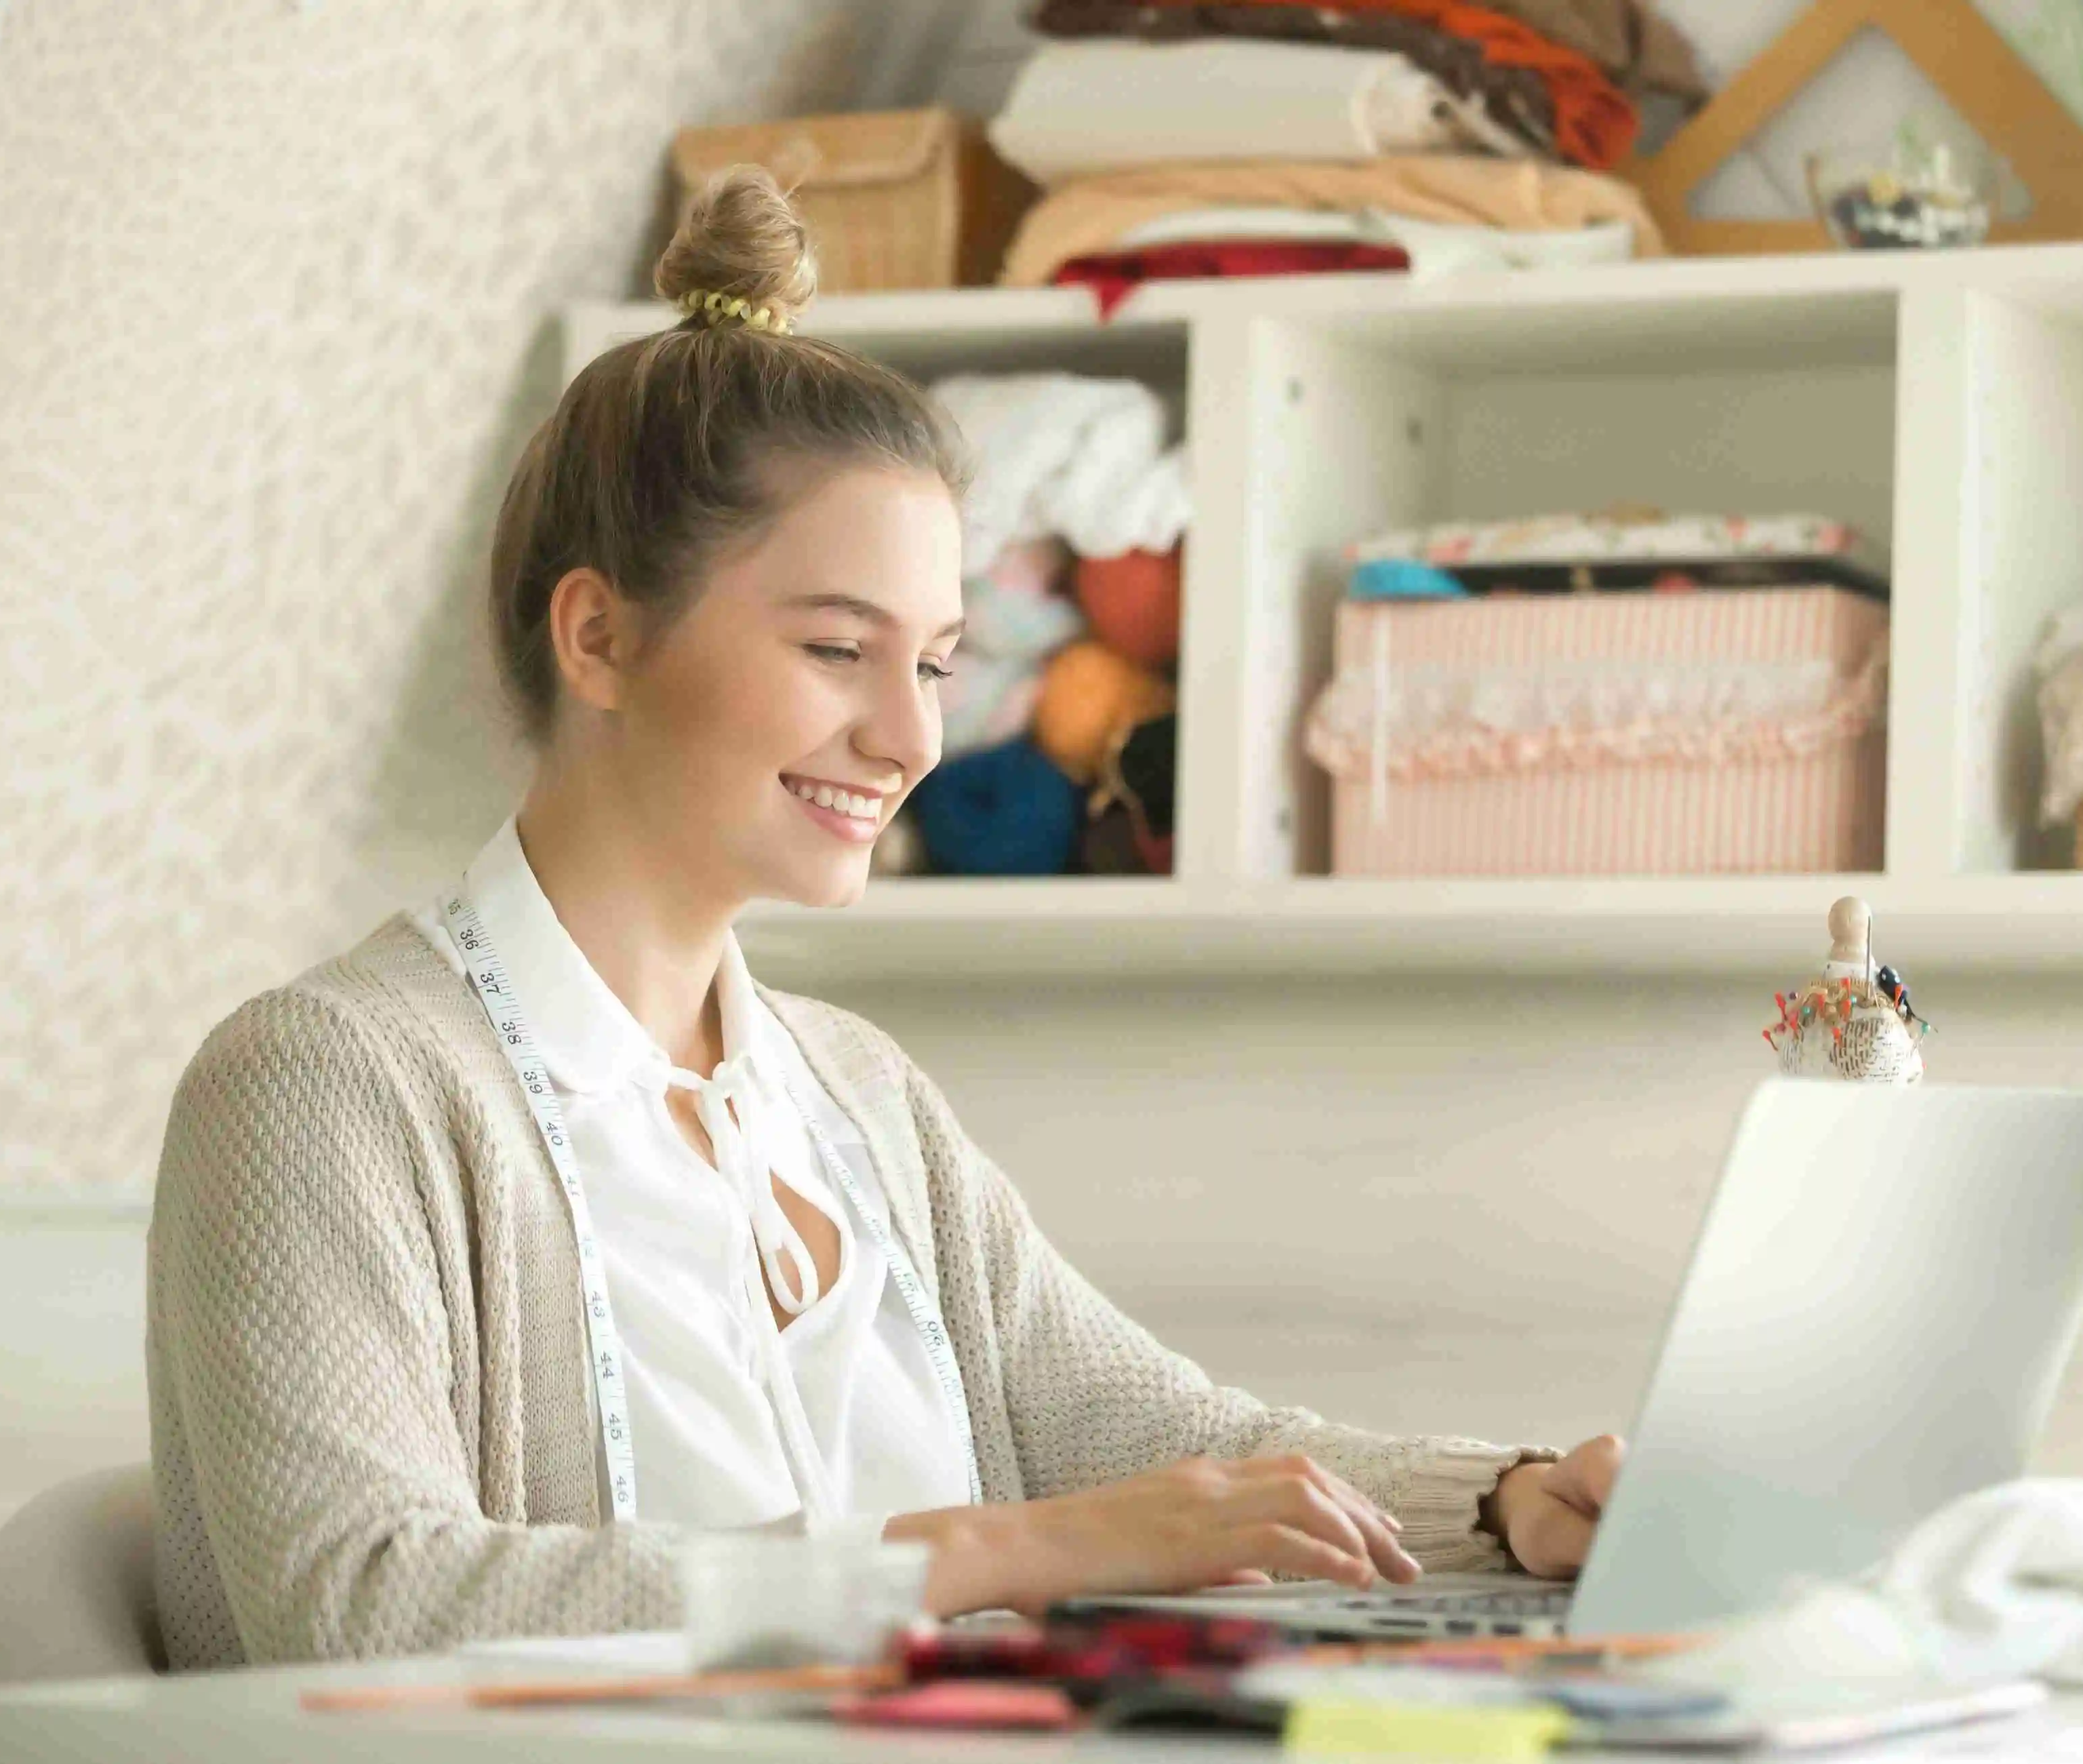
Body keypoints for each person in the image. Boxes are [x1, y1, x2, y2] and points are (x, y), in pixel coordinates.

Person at [144, 166, 1625, 1670]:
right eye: (839, 648)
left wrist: (1507, 1504)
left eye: (933, 664)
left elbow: (1170, 1444)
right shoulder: (326, 1084)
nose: (912, 737)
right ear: (597, 636)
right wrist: (998, 1550)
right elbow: (360, 1598)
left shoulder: (854, 1096)